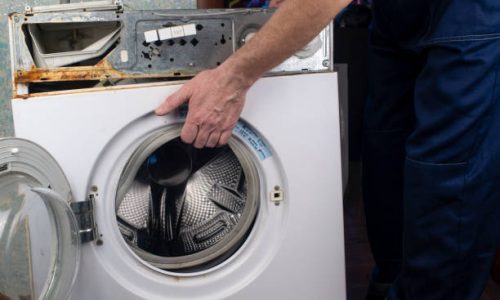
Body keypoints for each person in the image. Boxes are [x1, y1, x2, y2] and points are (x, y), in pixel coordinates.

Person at [155, 1, 500, 299]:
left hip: (470, 20)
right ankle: (389, 284)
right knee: (385, 176)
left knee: (448, 191)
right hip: (397, 22)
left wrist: (232, 79)